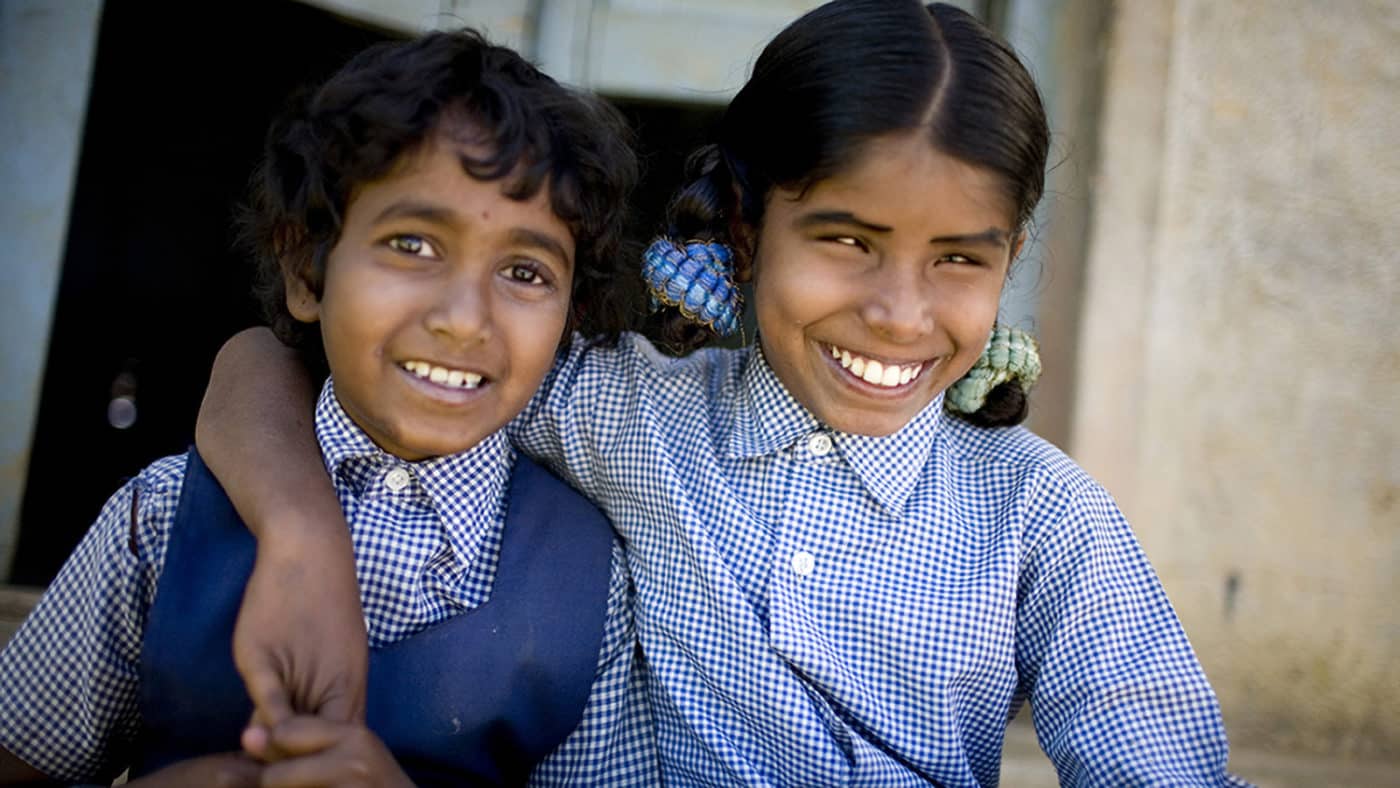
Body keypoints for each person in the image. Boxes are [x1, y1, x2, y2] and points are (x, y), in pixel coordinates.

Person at [196, 1, 1246, 785]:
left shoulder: (1038, 514)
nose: (897, 311)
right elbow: (280, 359)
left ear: (1009, 257)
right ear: (743, 232)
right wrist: (300, 536)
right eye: (846, 240)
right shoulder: (631, 413)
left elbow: (1156, 760)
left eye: (958, 261)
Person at [0, 28, 655, 787]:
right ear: (306, 274)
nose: (465, 318)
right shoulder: (163, 517)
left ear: (572, 315)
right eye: (412, 244)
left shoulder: (589, 583)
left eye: (525, 270)